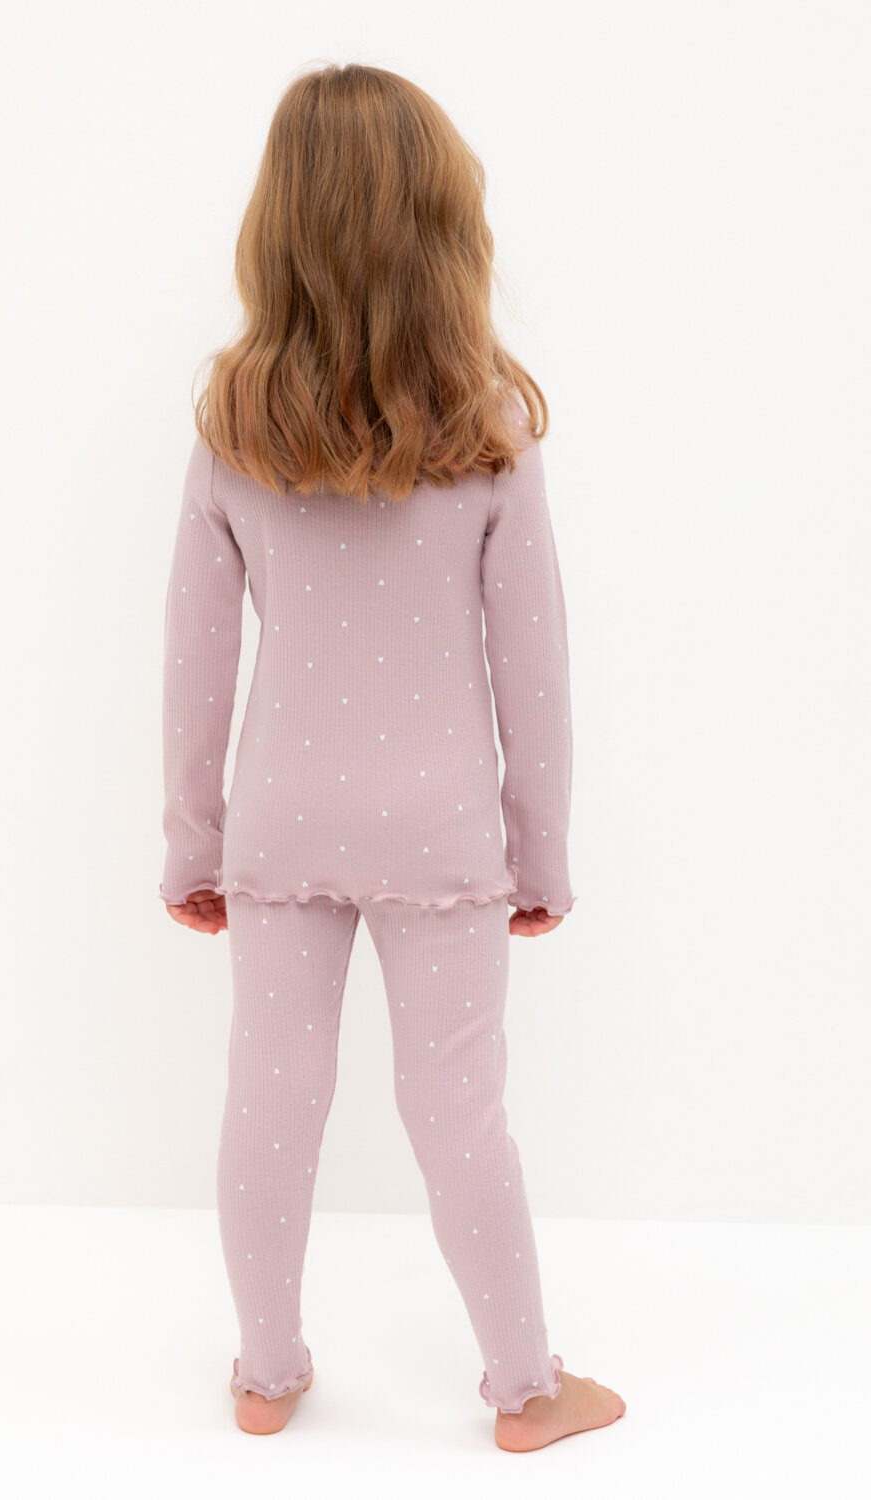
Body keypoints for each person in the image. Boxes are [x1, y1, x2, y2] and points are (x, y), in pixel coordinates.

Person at [158, 61, 625, 1450]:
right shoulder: (490, 431)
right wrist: (541, 853)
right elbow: (534, 674)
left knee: (270, 1099)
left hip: (282, 822)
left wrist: (193, 842)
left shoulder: (234, 426)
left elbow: (195, 660)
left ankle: (265, 1372)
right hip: (440, 831)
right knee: (460, 1113)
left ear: (278, 227)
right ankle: (527, 1390)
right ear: (442, 224)